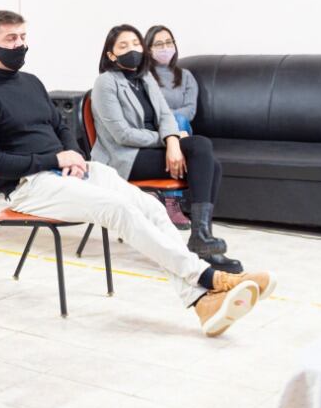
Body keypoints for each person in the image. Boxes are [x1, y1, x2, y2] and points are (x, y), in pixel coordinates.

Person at [0, 10, 276, 338]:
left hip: (71, 172)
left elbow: (61, 129)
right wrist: (53, 157)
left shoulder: (32, 82)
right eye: (11, 39)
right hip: (29, 186)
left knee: (151, 207)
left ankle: (201, 302)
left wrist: (72, 156)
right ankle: (210, 279)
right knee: (118, 209)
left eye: (23, 37)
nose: (20, 45)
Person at [90, 25, 239, 263]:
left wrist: (172, 141)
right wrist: (169, 140)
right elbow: (122, 135)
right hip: (124, 157)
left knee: (205, 153)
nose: (132, 49)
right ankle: (202, 239)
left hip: (152, 147)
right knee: (205, 156)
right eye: (123, 45)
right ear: (110, 54)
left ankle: (202, 237)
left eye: (136, 43)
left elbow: (166, 116)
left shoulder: (145, 77)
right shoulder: (105, 83)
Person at [143, 25, 199, 135]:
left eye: (169, 42)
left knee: (180, 119)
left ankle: (176, 148)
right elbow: (148, 111)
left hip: (180, 127)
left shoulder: (186, 76)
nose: (165, 47)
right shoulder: (144, 77)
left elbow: (190, 110)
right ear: (149, 50)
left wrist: (167, 116)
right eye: (159, 44)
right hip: (155, 129)